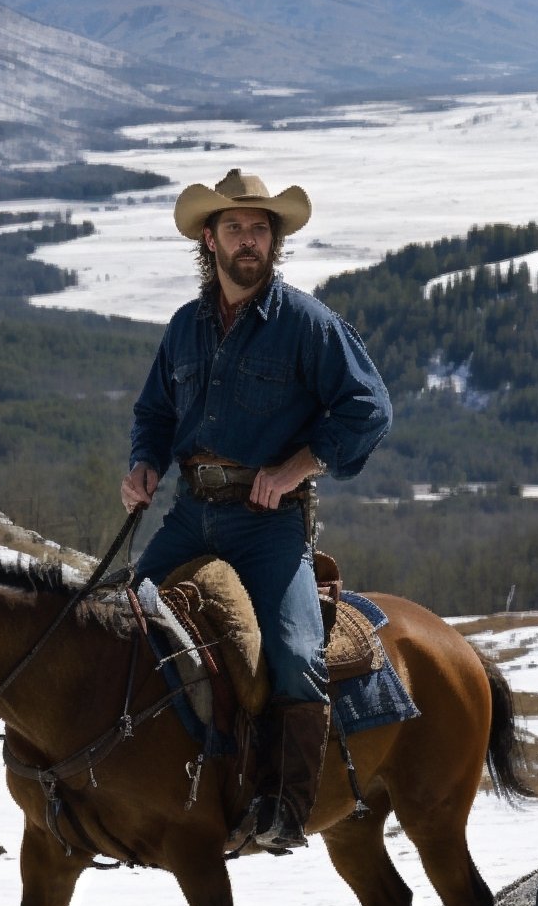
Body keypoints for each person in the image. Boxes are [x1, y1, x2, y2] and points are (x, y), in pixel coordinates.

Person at [121, 168, 391, 851]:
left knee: (298, 655)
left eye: (261, 229)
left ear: (275, 242)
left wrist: (300, 465)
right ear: (209, 240)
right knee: (116, 620)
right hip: (189, 514)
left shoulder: (305, 321)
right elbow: (154, 412)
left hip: (268, 525)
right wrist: (143, 463)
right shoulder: (186, 328)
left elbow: (369, 408)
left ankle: (284, 810)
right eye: (236, 228)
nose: (250, 241)